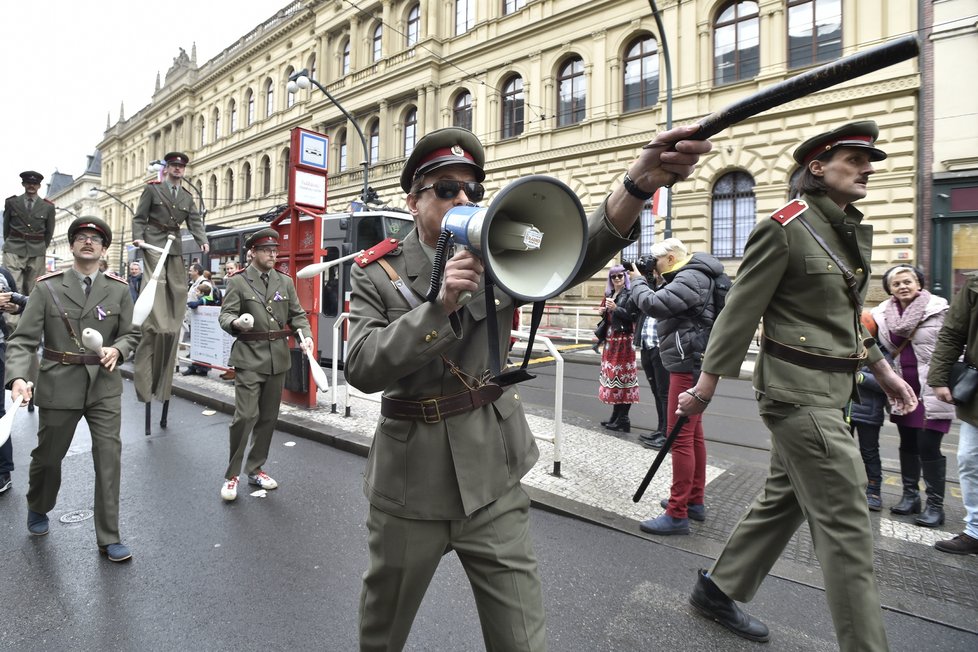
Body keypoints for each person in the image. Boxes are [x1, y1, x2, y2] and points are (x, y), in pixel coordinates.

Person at [345, 124, 711, 651]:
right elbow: (361, 366)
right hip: (411, 487)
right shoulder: (378, 272)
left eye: (471, 189)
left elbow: (573, 249)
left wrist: (637, 183)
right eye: (445, 189)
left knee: (522, 640)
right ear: (413, 201)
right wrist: (437, 308)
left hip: (494, 475)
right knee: (383, 633)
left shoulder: (498, 250)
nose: (463, 198)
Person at [677, 121, 917, 650]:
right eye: (854, 160)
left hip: (835, 392)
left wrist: (883, 371)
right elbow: (739, 313)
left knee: (784, 498)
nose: (866, 169)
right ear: (817, 167)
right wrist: (706, 386)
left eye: (868, 161)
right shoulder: (785, 227)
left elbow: (848, 317)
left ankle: (719, 589)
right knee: (849, 525)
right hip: (797, 393)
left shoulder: (845, 229)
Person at [6, 217, 139, 562]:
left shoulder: (119, 289)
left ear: (104, 248)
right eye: (81, 237)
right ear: (72, 246)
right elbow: (22, 340)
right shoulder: (47, 287)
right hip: (58, 381)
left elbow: (132, 334)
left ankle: (109, 537)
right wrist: (18, 377)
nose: (88, 242)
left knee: (108, 459)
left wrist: (119, 349)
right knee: (49, 457)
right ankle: (39, 505)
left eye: (95, 239)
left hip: (104, 385)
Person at [629, 238, 724, 534]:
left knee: (679, 438)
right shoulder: (698, 274)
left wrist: (637, 283)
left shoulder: (690, 277)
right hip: (693, 361)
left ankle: (677, 512)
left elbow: (655, 305)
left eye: (657, 263)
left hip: (685, 365)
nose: (654, 269)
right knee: (693, 435)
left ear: (670, 259)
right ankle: (694, 501)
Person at [217, 228, 312, 501]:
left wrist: (306, 337)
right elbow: (226, 316)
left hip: (277, 358)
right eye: (266, 250)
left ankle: (255, 468)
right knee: (245, 416)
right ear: (253, 252)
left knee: (269, 418)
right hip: (248, 356)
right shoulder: (238, 282)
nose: (273, 254)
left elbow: (297, 315)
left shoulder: (284, 281)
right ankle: (232, 474)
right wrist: (235, 323)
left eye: (275, 250)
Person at [871, 265, 953, 526]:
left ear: (919, 283)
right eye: (896, 284)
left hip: (933, 387)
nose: (903, 286)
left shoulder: (939, 310)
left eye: (908, 281)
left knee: (929, 445)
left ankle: (935, 506)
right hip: (904, 389)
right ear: (890, 290)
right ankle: (910, 497)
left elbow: (954, 345)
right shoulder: (882, 314)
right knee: (908, 443)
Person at [131, 152, 209, 405]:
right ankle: (160, 320)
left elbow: (194, 221)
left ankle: (172, 320)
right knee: (157, 281)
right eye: (174, 166)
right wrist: (138, 237)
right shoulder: (152, 190)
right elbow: (139, 217)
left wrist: (202, 240)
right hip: (153, 241)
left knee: (177, 285)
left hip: (173, 245)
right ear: (166, 169)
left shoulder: (187, 197)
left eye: (181, 167)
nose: (178, 170)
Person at [928, 273, 978, 555]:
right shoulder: (974, 285)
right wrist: (939, 377)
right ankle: (975, 531)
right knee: (970, 460)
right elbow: (952, 333)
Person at [598, 264, 640, 433]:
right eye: (613, 276)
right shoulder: (610, 294)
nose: (617, 279)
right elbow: (609, 317)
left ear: (625, 277)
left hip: (623, 341)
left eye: (620, 276)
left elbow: (633, 316)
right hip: (611, 340)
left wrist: (616, 309)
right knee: (614, 379)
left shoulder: (630, 294)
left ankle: (624, 419)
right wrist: (603, 312)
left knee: (624, 379)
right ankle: (615, 416)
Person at [632, 269, 670, 449]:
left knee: (665, 393)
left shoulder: (671, 286)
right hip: (647, 345)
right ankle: (660, 429)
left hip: (661, 347)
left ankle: (667, 433)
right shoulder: (651, 287)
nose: (655, 271)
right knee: (656, 391)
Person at [3, 170, 56, 296]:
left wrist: (42, 247)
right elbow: (6, 228)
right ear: (23, 184)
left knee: (34, 289)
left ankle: (30, 315)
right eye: (28, 182)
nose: (31, 186)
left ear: (39, 186)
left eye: (35, 183)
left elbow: (49, 232)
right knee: (12, 287)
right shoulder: (11, 203)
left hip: (37, 250)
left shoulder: (48, 207)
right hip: (13, 248)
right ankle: (12, 316)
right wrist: (10, 244)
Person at [0, 265, 27, 495]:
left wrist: (11, 306)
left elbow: (20, 306)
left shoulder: (4, 272)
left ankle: (3, 471)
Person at [183, 282, 219, 377]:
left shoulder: (205, 299)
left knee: (203, 348)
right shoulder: (210, 299)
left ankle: (201, 368)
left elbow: (195, 304)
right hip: (203, 328)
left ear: (202, 293)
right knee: (201, 348)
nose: (196, 293)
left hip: (204, 328)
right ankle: (200, 368)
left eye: (198, 292)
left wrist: (188, 303)